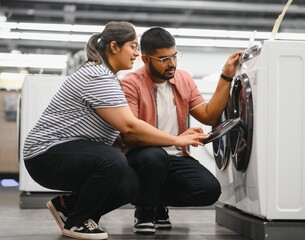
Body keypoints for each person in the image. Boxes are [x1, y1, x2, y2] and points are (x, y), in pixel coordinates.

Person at [23, 22, 208, 240]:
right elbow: (129, 126)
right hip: (44, 154)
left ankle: (68, 206)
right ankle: (77, 223)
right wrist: (178, 139)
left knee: (131, 186)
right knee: (113, 160)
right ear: (114, 46)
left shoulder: (108, 77)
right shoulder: (97, 75)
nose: (137, 54)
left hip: (64, 153)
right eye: (133, 46)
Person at [120, 26, 242, 234]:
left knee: (209, 191)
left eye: (175, 56)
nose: (172, 64)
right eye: (164, 59)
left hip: (175, 157)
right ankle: (146, 212)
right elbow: (131, 134)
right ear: (146, 59)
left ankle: (154, 199)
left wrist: (226, 76)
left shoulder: (183, 79)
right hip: (142, 156)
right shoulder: (131, 84)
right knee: (155, 157)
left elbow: (208, 115)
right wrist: (176, 139)